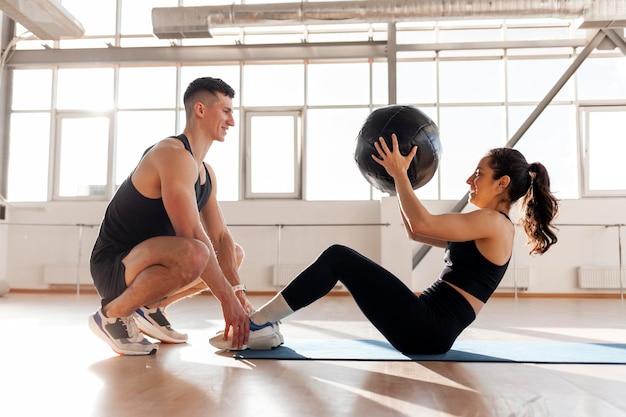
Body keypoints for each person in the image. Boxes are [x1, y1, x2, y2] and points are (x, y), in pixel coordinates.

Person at [210, 134, 559, 354]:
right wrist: (398, 184)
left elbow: (422, 222)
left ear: (502, 184)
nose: (470, 180)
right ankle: (264, 327)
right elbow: (417, 232)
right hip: (429, 327)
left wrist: (400, 176)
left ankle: (258, 325)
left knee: (338, 258)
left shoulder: (492, 223)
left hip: (428, 328)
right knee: (340, 259)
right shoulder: (489, 224)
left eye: (479, 174)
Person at [89, 77, 278, 355]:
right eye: (226, 111)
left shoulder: (206, 172)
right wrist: (226, 301)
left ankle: (149, 307)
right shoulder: (172, 154)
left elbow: (221, 236)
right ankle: (112, 314)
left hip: (149, 261)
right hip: (115, 264)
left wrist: (238, 294)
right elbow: (190, 233)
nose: (232, 121)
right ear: (200, 110)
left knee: (232, 254)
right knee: (196, 252)